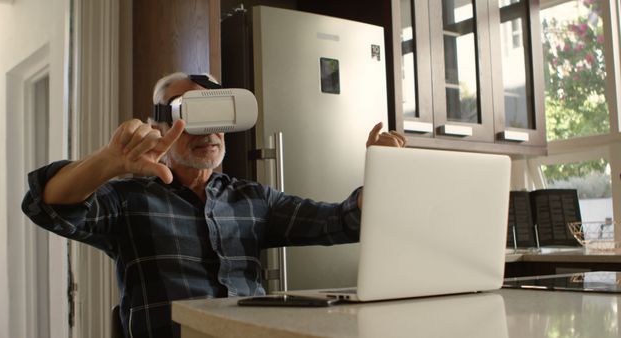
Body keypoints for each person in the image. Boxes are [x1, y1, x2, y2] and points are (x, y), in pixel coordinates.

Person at [21, 72, 407, 338]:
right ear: (159, 125)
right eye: (192, 113)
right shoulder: (130, 200)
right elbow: (48, 205)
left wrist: (385, 173)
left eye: (217, 112)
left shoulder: (254, 199)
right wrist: (108, 160)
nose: (209, 130)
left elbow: (341, 221)